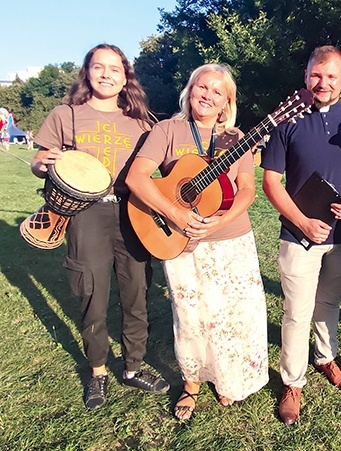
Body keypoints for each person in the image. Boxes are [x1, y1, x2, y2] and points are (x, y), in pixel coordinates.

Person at [125, 63, 268, 421]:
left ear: (226, 102)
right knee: (190, 316)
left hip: (231, 240)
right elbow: (137, 177)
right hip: (178, 239)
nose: (206, 95)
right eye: (201, 87)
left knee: (234, 315)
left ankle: (228, 380)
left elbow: (247, 189)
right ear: (189, 90)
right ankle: (191, 383)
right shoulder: (167, 129)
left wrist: (223, 218)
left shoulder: (237, 139)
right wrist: (173, 214)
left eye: (216, 91)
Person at [30, 44, 169, 410]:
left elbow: (161, 166)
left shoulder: (142, 122)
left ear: (126, 77)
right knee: (92, 294)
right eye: (98, 67)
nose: (106, 74)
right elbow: (38, 160)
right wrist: (44, 163)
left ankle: (134, 366)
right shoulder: (66, 115)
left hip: (133, 212)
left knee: (136, 291)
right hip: (86, 213)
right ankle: (98, 372)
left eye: (114, 69)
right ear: (87, 72)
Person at [261, 45, 341, 425]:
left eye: (332, 76)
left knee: (328, 304)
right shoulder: (288, 122)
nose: (323, 83)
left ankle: (325, 358)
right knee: (297, 312)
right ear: (306, 76)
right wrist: (301, 221)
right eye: (317, 75)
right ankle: (292, 382)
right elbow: (270, 182)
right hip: (299, 235)